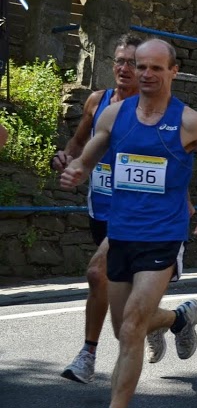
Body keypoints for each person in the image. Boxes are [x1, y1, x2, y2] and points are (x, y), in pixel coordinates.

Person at [60, 38, 197, 408]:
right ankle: (179, 318)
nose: (145, 74)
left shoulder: (189, 122)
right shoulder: (114, 114)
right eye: (141, 66)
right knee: (125, 327)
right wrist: (77, 169)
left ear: (173, 71)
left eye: (156, 68)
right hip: (120, 234)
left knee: (131, 326)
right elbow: (90, 154)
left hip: (163, 235)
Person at [53, 34, 144, 384]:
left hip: (133, 212)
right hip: (100, 208)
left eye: (133, 63)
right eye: (120, 61)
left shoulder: (151, 109)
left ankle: (88, 355)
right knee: (123, 295)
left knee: (96, 274)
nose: (124, 68)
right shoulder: (97, 101)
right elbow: (78, 142)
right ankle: (173, 319)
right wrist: (66, 157)